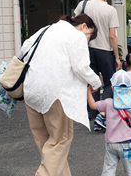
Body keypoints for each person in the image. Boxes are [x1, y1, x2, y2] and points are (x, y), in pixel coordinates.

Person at [21, 14, 102, 176]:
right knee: (61, 140)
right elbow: (81, 68)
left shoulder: (47, 29)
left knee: (50, 146)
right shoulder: (76, 36)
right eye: (89, 36)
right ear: (84, 26)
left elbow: (24, 48)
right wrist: (96, 82)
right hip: (54, 94)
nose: (87, 39)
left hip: (31, 90)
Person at [74, 0, 121, 131]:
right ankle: (104, 114)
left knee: (92, 83)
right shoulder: (110, 10)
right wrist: (117, 57)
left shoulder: (84, 4)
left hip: (87, 49)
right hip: (104, 51)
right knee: (109, 83)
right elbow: (112, 36)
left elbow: (75, 24)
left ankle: (93, 114)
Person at [87, 70, 131, 176]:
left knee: (109, 169)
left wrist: (89, 91)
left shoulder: (108, 103)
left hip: (111, 143)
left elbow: (93, 105)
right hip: (127, 143)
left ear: (112, 88)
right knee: (130, 169)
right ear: (130, 88)